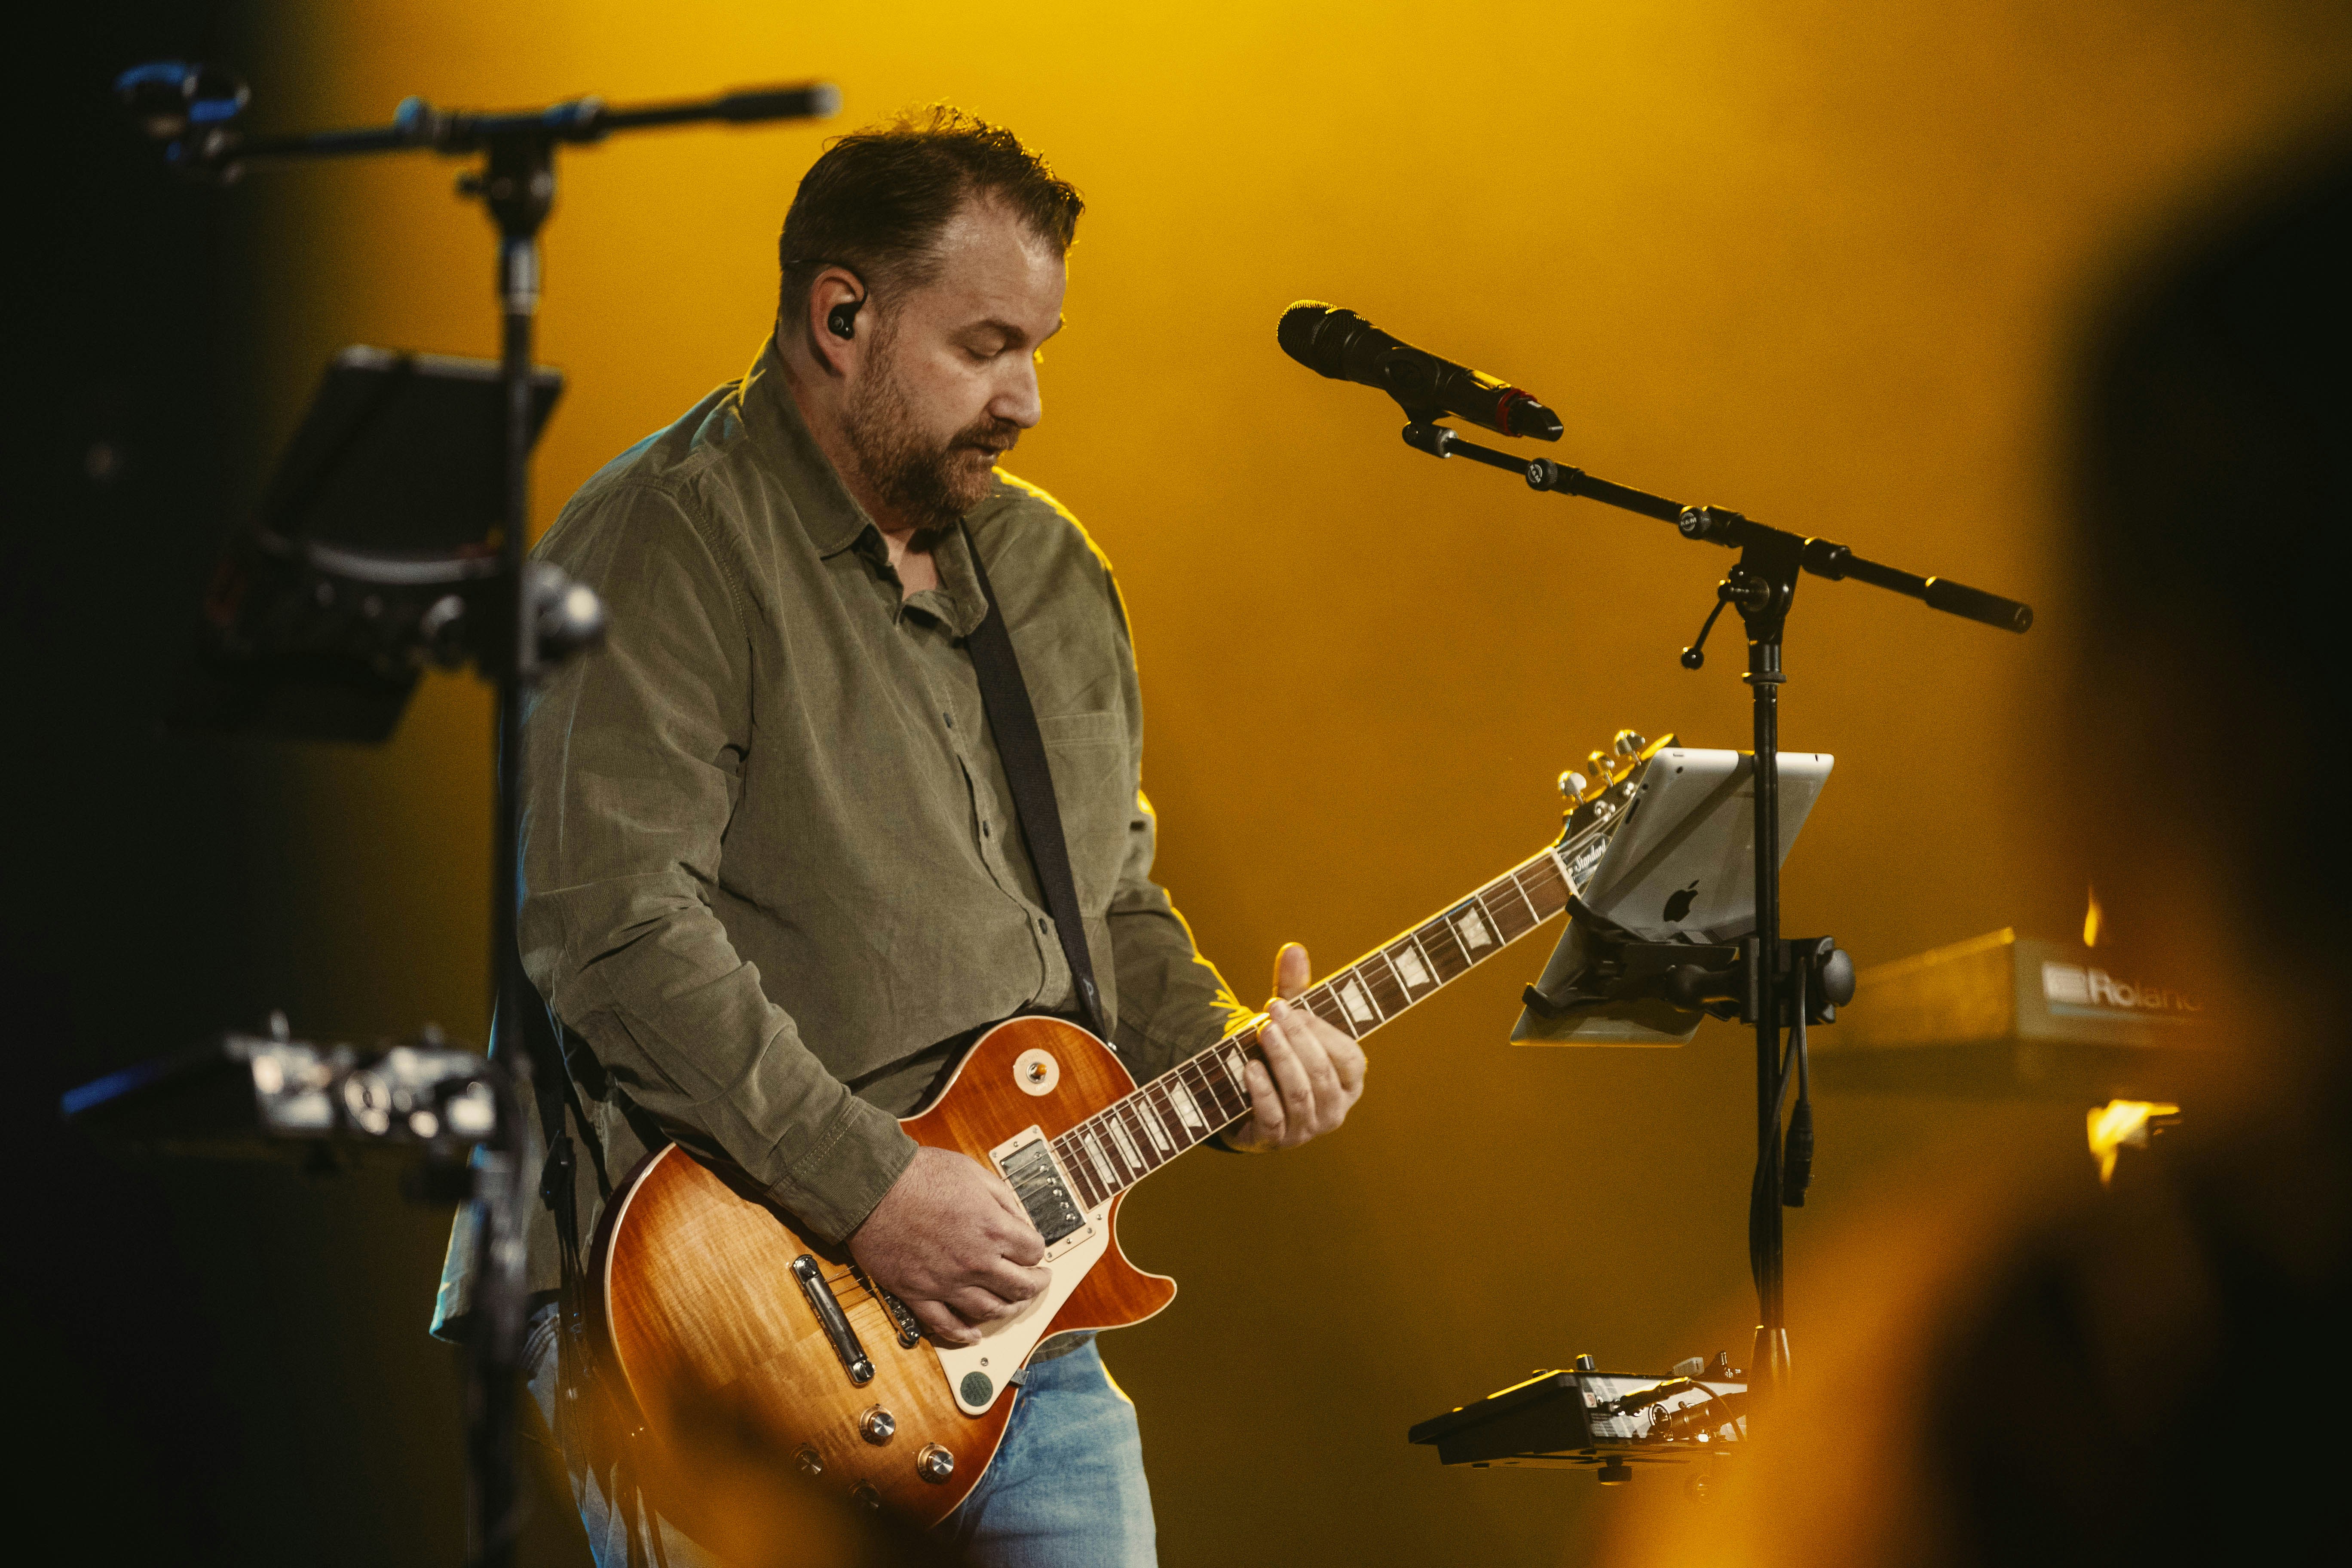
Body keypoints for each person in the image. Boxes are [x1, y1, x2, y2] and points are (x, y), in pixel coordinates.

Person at [432, 107, 1368, 1567]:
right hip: (722, 1319)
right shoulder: (659, 541)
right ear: (842, 316)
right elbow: (610, 933)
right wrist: (873, 1188)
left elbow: (1110, 904)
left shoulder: (1052, 573)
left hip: (1021, 1332)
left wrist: (1240, 1054)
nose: (1030, 397)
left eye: (1041, 346)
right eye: (986, 347)